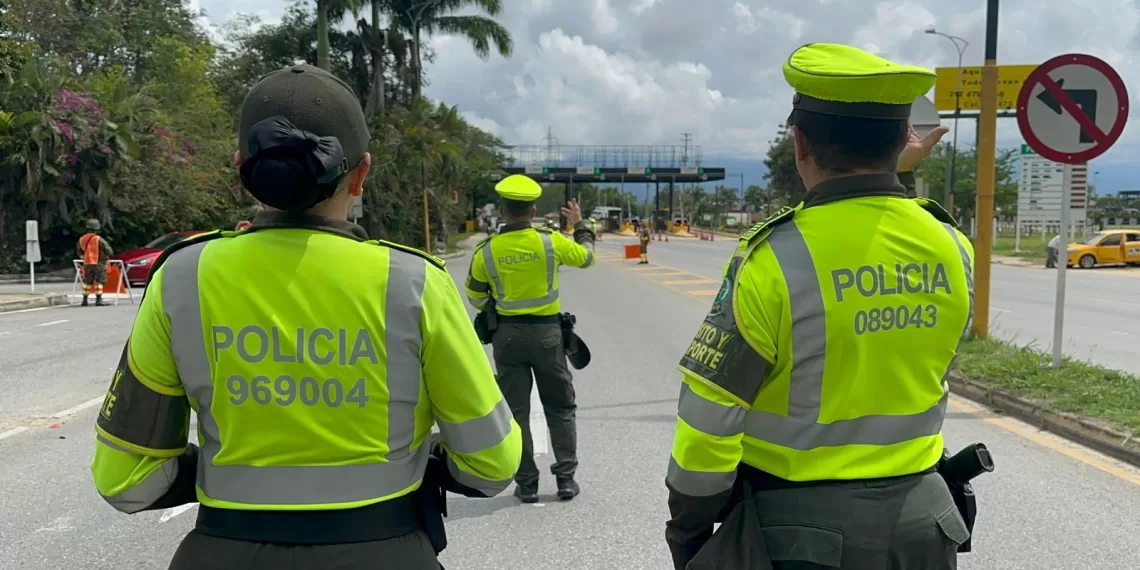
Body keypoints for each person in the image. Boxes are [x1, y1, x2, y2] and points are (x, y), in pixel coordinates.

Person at [90, 63, 522, 570]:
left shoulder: (182, 277)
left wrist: (217, 468)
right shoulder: (416, 283)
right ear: (361, 173)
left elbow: (126, 480)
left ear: (241, 168)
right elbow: (492, 467)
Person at [664, 43, 975, 569]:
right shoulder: (951, 243)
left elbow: (708, 417)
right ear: (904, 138)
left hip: (801, 536)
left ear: (799, 142)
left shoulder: (773, 258)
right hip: (925, 526)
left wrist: (690, 526)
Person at [464, 174, 595, 504]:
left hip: (507, 338)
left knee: (515, 412)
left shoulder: (487, 252)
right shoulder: (550, 242)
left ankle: (528, 484)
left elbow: (475, 297)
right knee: (561, 406)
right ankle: (565, 479)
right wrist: (580, 226)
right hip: (549, 336)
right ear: (533, 211)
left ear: (503, 211)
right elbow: (587, 257)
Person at [77, 218, 113, 307]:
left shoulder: (82, 239)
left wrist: (85, 257)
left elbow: (79, 251)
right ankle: (99, 300)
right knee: (100, 281)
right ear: (97, 228)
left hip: (87, 263)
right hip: (99, 262)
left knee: (87, 282)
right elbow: (109, 250)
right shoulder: (98, 239)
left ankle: (84, 300)